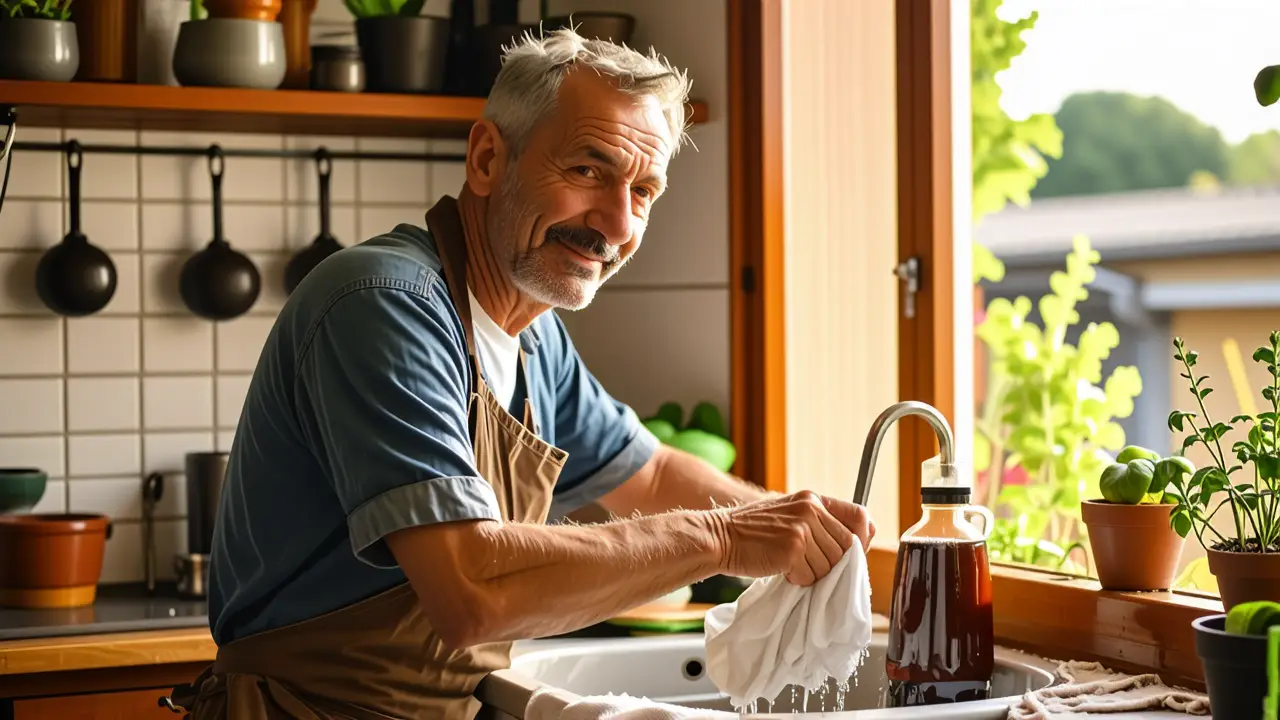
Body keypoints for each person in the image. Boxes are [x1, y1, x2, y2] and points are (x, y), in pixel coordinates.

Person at [166, 28, 876, 720]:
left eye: (644, 192)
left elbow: (651, 476)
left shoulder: (533, 335)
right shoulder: (385, 305)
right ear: (485, 159)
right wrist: (724, 540)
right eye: (588, 170)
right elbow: (473, 587)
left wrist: (813, 537)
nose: (617, 225)